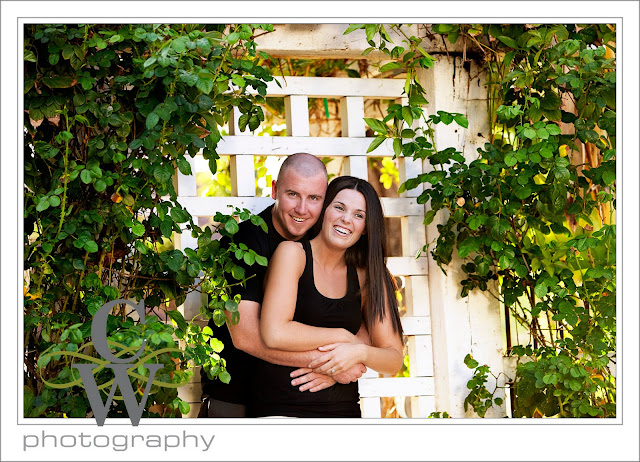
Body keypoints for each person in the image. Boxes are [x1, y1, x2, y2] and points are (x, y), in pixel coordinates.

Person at [199, 154, 368, 418]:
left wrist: (348, 358)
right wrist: (331, 366)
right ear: (275, 189)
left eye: (314, 198)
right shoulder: (242, 243)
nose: (302, 209)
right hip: (234, 396)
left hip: (298, 401)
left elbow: (367, 312)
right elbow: (246, 336)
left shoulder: (326, 239)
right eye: (292, 194)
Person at [254, 176, 404, 418]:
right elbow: (275, 333)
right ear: (324, 210)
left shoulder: (368, 277)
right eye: (339, 207)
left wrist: (359, 353)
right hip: (280, 411)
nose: (346, 219)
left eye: (359, 215)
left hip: (343, 414)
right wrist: (345, 338)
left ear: (366, 228)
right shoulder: (293, 254)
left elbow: (393, 359)